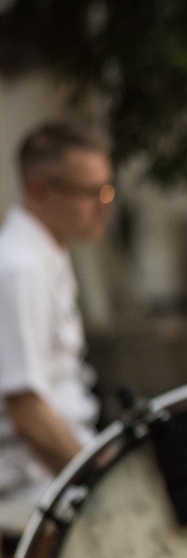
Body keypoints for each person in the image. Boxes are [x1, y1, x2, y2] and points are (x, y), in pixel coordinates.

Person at [0, 120, 114, 505]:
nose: (105, 207)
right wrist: (104, 481)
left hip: (62, 472)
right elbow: (28, 414)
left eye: (108, 190)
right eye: (91, 192)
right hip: (35, 490)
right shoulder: (21, 269)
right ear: (39, 191)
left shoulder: (48, 253)